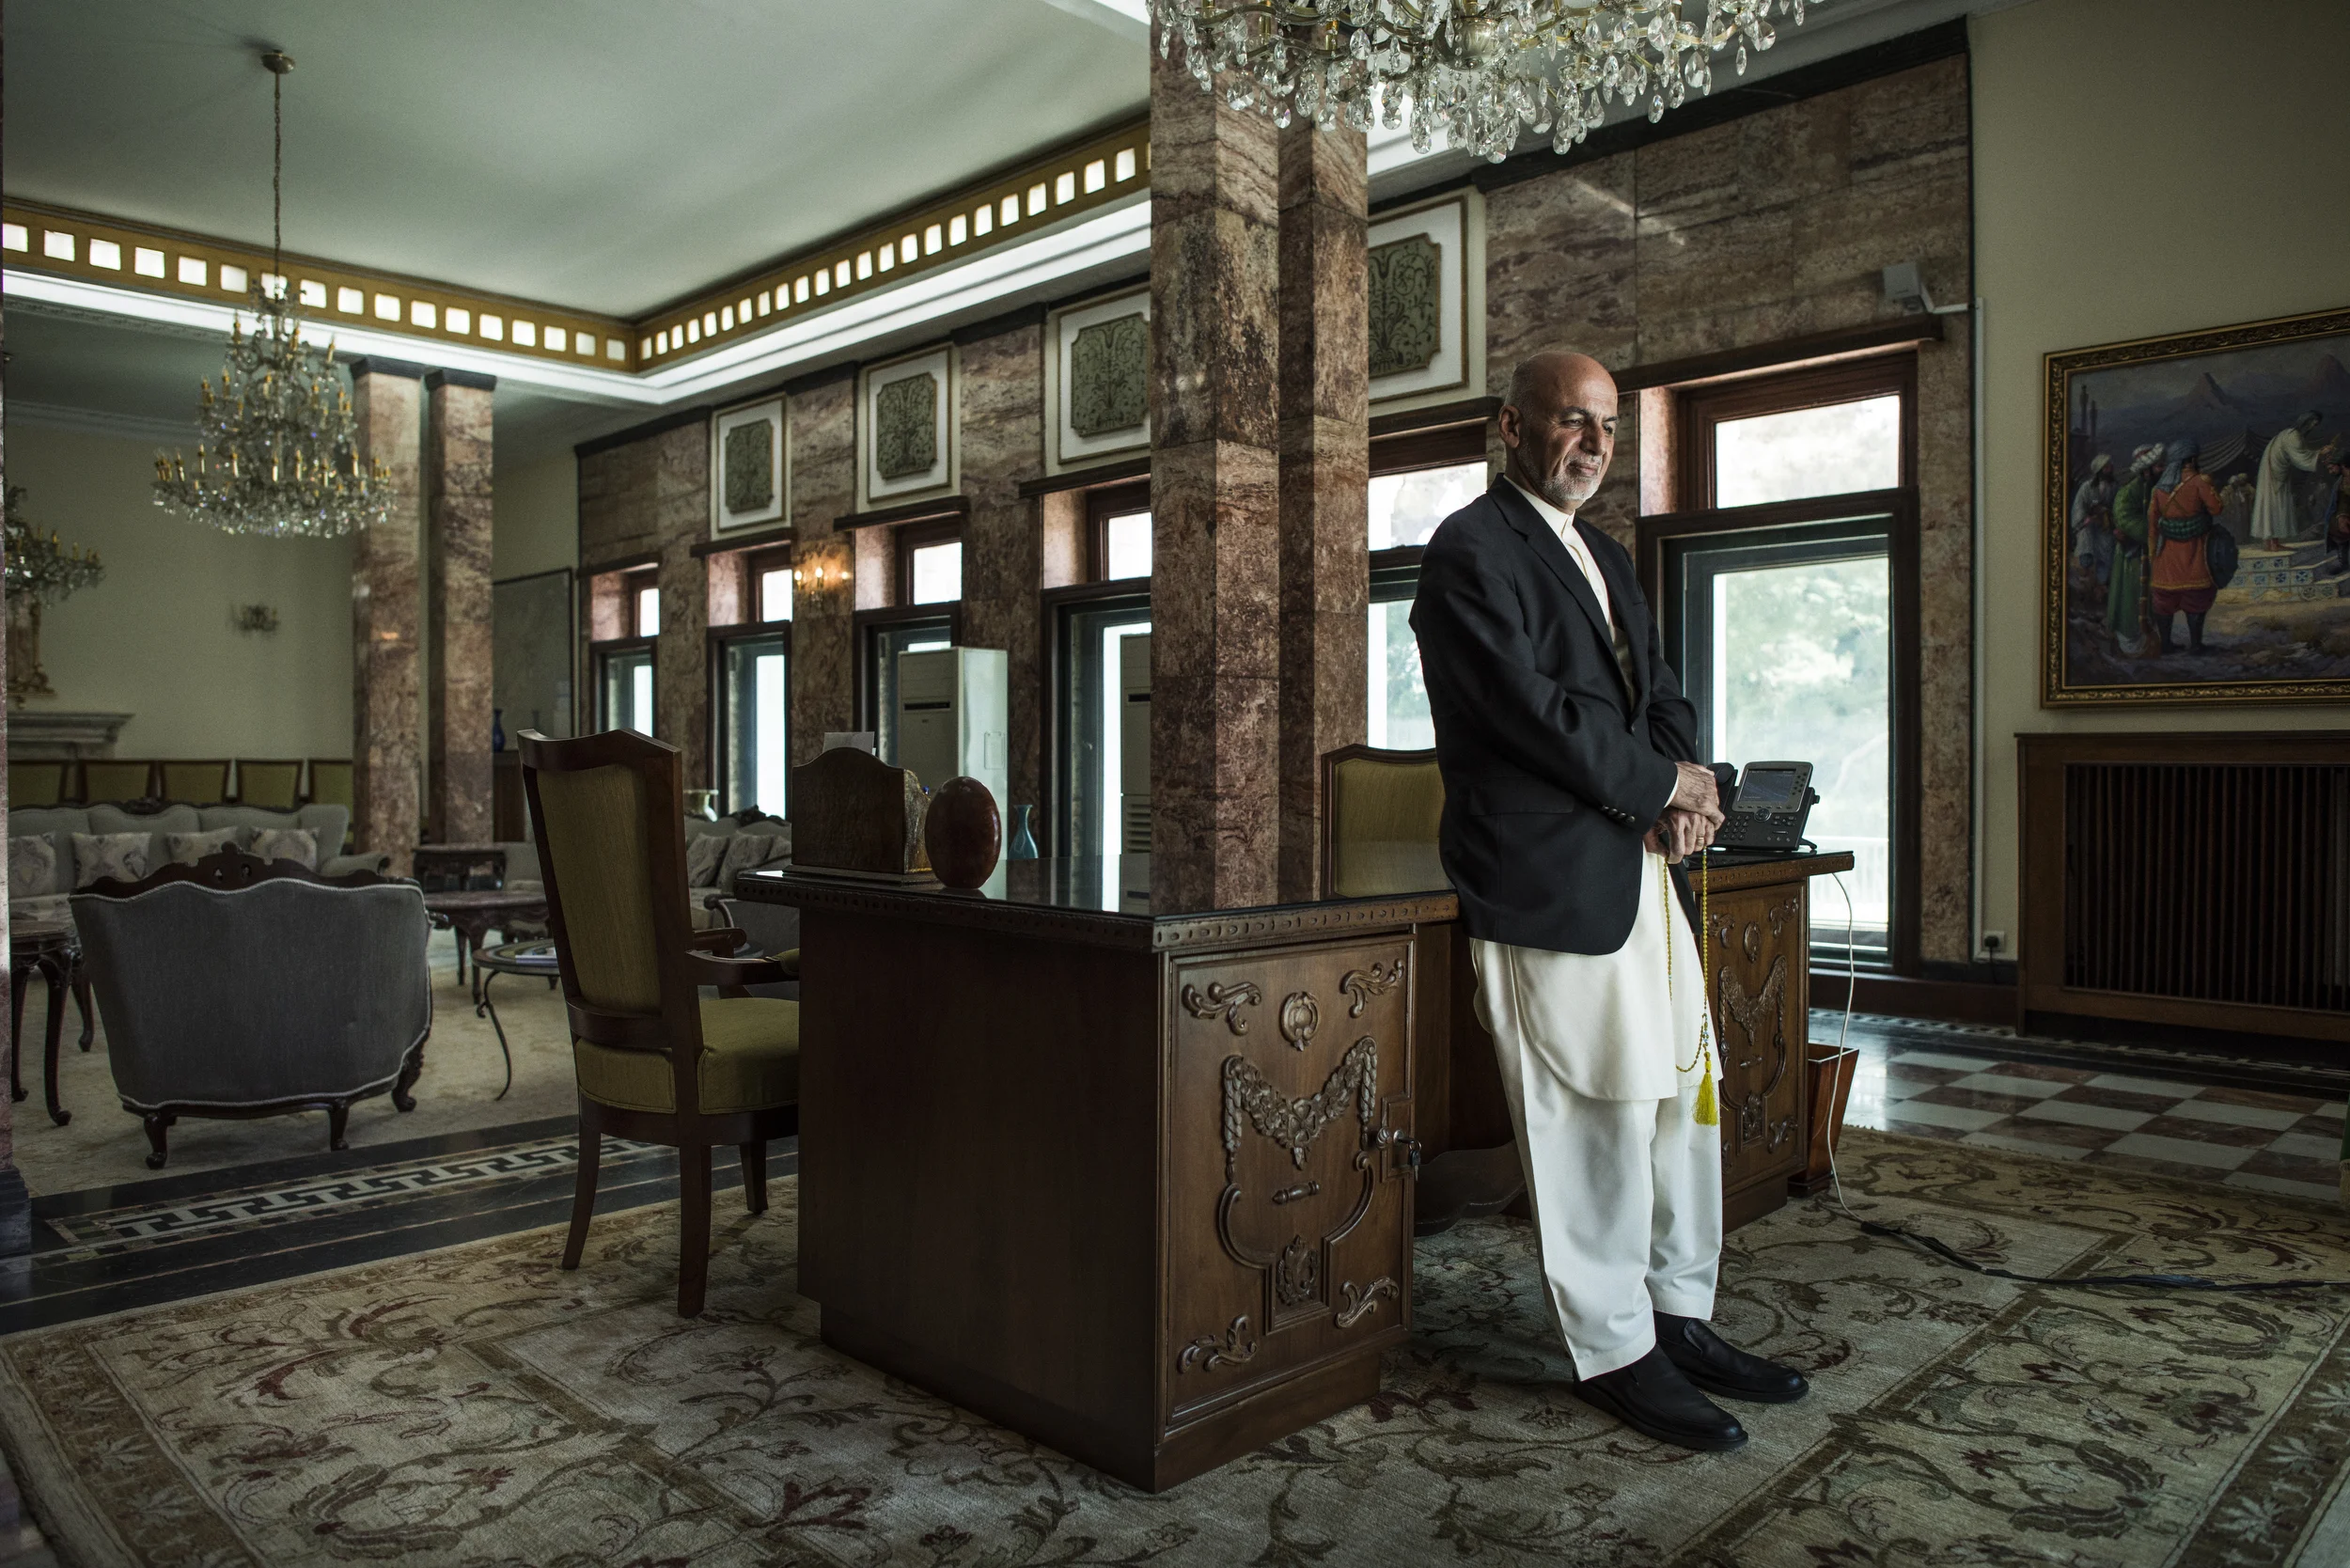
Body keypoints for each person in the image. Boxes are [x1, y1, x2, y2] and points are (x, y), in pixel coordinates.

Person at [1409, 351, 1809, 1456]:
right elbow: (1521, 713)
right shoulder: (1468, 552)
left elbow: (1662, 694)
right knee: (1594, 1114)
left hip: (1640, 864)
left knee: (1687, 1096)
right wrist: (1654, 787)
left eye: (1607, 427)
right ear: (1510, 426)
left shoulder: (1610, 557)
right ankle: (1614, 1349)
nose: (1591, 442)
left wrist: (1686, 794)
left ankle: (1678, 1319)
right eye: (1569, 421)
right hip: (1540, 875)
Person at [2148, 441, 2225, 654]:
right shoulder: (2200, 482)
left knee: (2165, 600)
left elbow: (2153, 525)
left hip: (2166, 557)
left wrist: (2153, 554)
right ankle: (2196, 645)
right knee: (2196, 596)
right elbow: (2217, 509)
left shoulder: (2158, 489)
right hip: (2194, 553)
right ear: (2191, 460)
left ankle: (2165, 644)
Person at [2106, 444, 2162, 654]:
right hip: (2133, 557)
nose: (2159, 469)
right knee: (2131, 599)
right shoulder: (2128, 492)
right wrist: (2151, 531)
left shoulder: (2156, 487)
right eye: (2154, 465)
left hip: (2150, 555)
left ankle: (2153, 639)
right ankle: (2132, 643)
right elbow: (2125, 517)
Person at [2252, 412, 2338, 547]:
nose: (2312, 427)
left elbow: (2302, 453)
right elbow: (2301, 459)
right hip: (2275, 476)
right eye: (2311, 423)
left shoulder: (2289, 434)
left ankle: (2272, 543)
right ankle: (2272, 544)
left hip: (2274, 473)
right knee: (2275, 505)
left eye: (2315, 425)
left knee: (2272, 505)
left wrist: (2319, 452)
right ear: (2304, 421)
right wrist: (2321, 453)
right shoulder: (2294, 436)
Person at [2070, 453, 2117, 603]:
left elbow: (2117, 507)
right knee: (2086, 542)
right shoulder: (2087, 487)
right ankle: (2085, 580)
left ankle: (2102, 585)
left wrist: (2106, 514)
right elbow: (2078, 507)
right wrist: (2086, 519)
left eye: (2110, 467)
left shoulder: (2115, 487)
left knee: (2107, 549)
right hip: (2089, 526)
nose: (2109, 470)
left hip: (2106, 526)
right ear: (2099, 470)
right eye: (2106, 467)